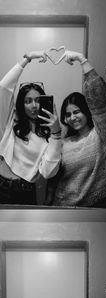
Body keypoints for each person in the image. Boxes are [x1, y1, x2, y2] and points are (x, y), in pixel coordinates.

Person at [45, 50, 106, 208]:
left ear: (86, 111)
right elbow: (50, 176)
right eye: (68, 114)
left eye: (76, 112)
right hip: (63, 207)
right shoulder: (63, 143)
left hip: (98, 208)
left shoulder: (101, 134)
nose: (72, 118)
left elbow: (99, 99)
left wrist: (81, 60)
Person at [0, 50, 62, 205]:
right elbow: (3, 88)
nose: (34, 105)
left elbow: (48, 172)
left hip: (24, 190)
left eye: (37, 100)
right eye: (28, 101)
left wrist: (56, 133)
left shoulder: (49, 134)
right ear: (21, 104)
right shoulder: (11, 121)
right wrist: (27, 59)